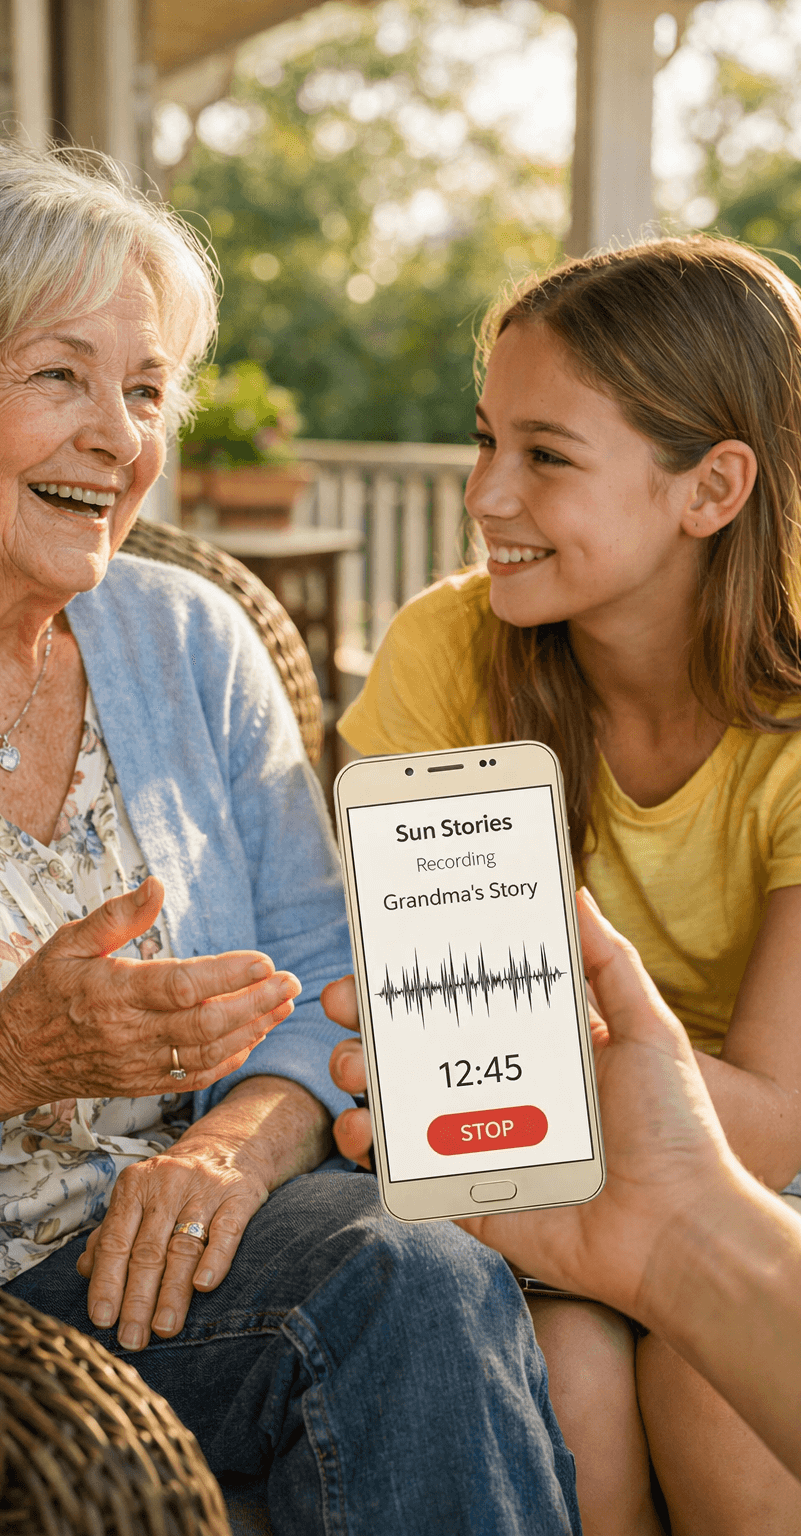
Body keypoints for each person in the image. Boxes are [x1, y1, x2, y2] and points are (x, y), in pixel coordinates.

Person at [0, 130, 583, 1535]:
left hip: (211, 1259)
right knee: (408, 1279)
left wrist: (239, 1145)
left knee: (421, 1269)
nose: (120, 436)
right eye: (58, 375)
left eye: (146, 389)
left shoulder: (191, 640)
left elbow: (325, 983)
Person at [337, 236, 801, 1536]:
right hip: (557, 1165)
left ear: (711, 488)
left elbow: (781, 1121)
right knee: (570, 1376)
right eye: (485, 438)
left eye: (545, 455)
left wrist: (513, 1067)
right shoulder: (450, 648)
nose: (484, 494)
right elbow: (435, 1051)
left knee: (713, 1388)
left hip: (741, 1176)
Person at [325, 890, 801, 1486]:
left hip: (691, 1193)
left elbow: (779, 1129)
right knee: (572, 1374)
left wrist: (680, 1226)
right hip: (579, 1215)